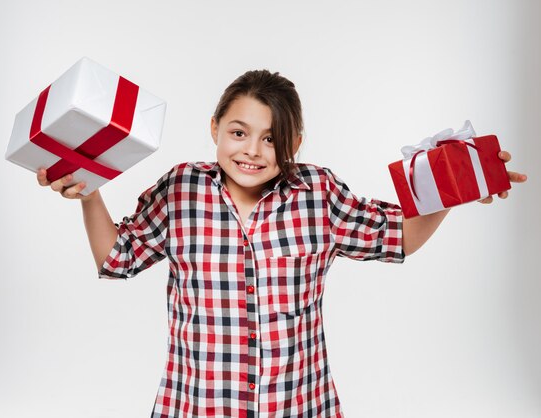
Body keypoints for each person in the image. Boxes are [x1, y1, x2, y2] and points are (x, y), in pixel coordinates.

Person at [37, 70, 527, 417]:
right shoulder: (180, 189)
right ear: (214, 127)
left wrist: (452, 186)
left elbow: (399, 237)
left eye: (272, 139)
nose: (251, 150)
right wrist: (90, 187)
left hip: (299, 403)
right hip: (198, 406)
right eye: (238, 132)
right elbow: (116, 259)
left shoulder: (319, 193)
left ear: (295, 142)